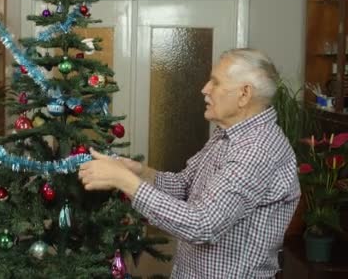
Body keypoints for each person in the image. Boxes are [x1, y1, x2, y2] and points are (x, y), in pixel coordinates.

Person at [78, 49, 300, 278]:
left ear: (244, 94)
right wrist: (142, 173)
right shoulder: (226, 135)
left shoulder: (257, 149)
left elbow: (203, 224)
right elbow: (185, 186)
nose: (205, 90)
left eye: (215, 82)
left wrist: (125, 181)